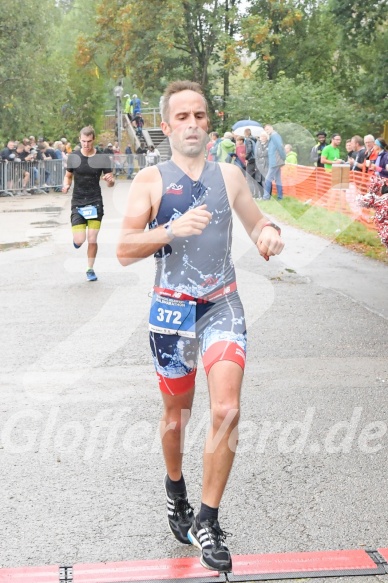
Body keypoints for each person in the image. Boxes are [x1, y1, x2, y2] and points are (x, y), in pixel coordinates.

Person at [117, 80, 284, 573]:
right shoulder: (149, 180)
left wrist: (269, 233)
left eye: (200, 116)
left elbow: (257, 224)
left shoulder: (229, 175)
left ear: (209, 124)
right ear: (166, 126)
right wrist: (170, 229)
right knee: (176, 417)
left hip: (221, 305)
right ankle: (176, 490)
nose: (193, 124)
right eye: (183, 117)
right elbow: (125, 250)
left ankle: (207, 519)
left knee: (227, 409)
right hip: (171, 313)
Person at [62, 126, 115, 282]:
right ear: (80, 140)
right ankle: (77, 240)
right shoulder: (73, 157)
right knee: (79, 240)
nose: (86, 144)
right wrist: (66, 185)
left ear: (94, 139)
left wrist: (110, 181)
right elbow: (68, 176)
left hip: (95, 201)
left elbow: (110, 181)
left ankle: (90, 269)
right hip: (78, 201)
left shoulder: (102, 158)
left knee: (92, 239)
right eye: (83, 141)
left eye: (89, 141)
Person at [263, 123, 286, 200]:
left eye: (268, 129)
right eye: (265, 130)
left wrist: (283, 158)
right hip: (275, 161)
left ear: (271, 128)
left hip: (275, 161)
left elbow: (280, 147)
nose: (267, 131)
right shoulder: (272, 136)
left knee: (267, 179)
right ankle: (280, 197)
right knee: (278, 179)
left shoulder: (274, 135)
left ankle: (266, 197)